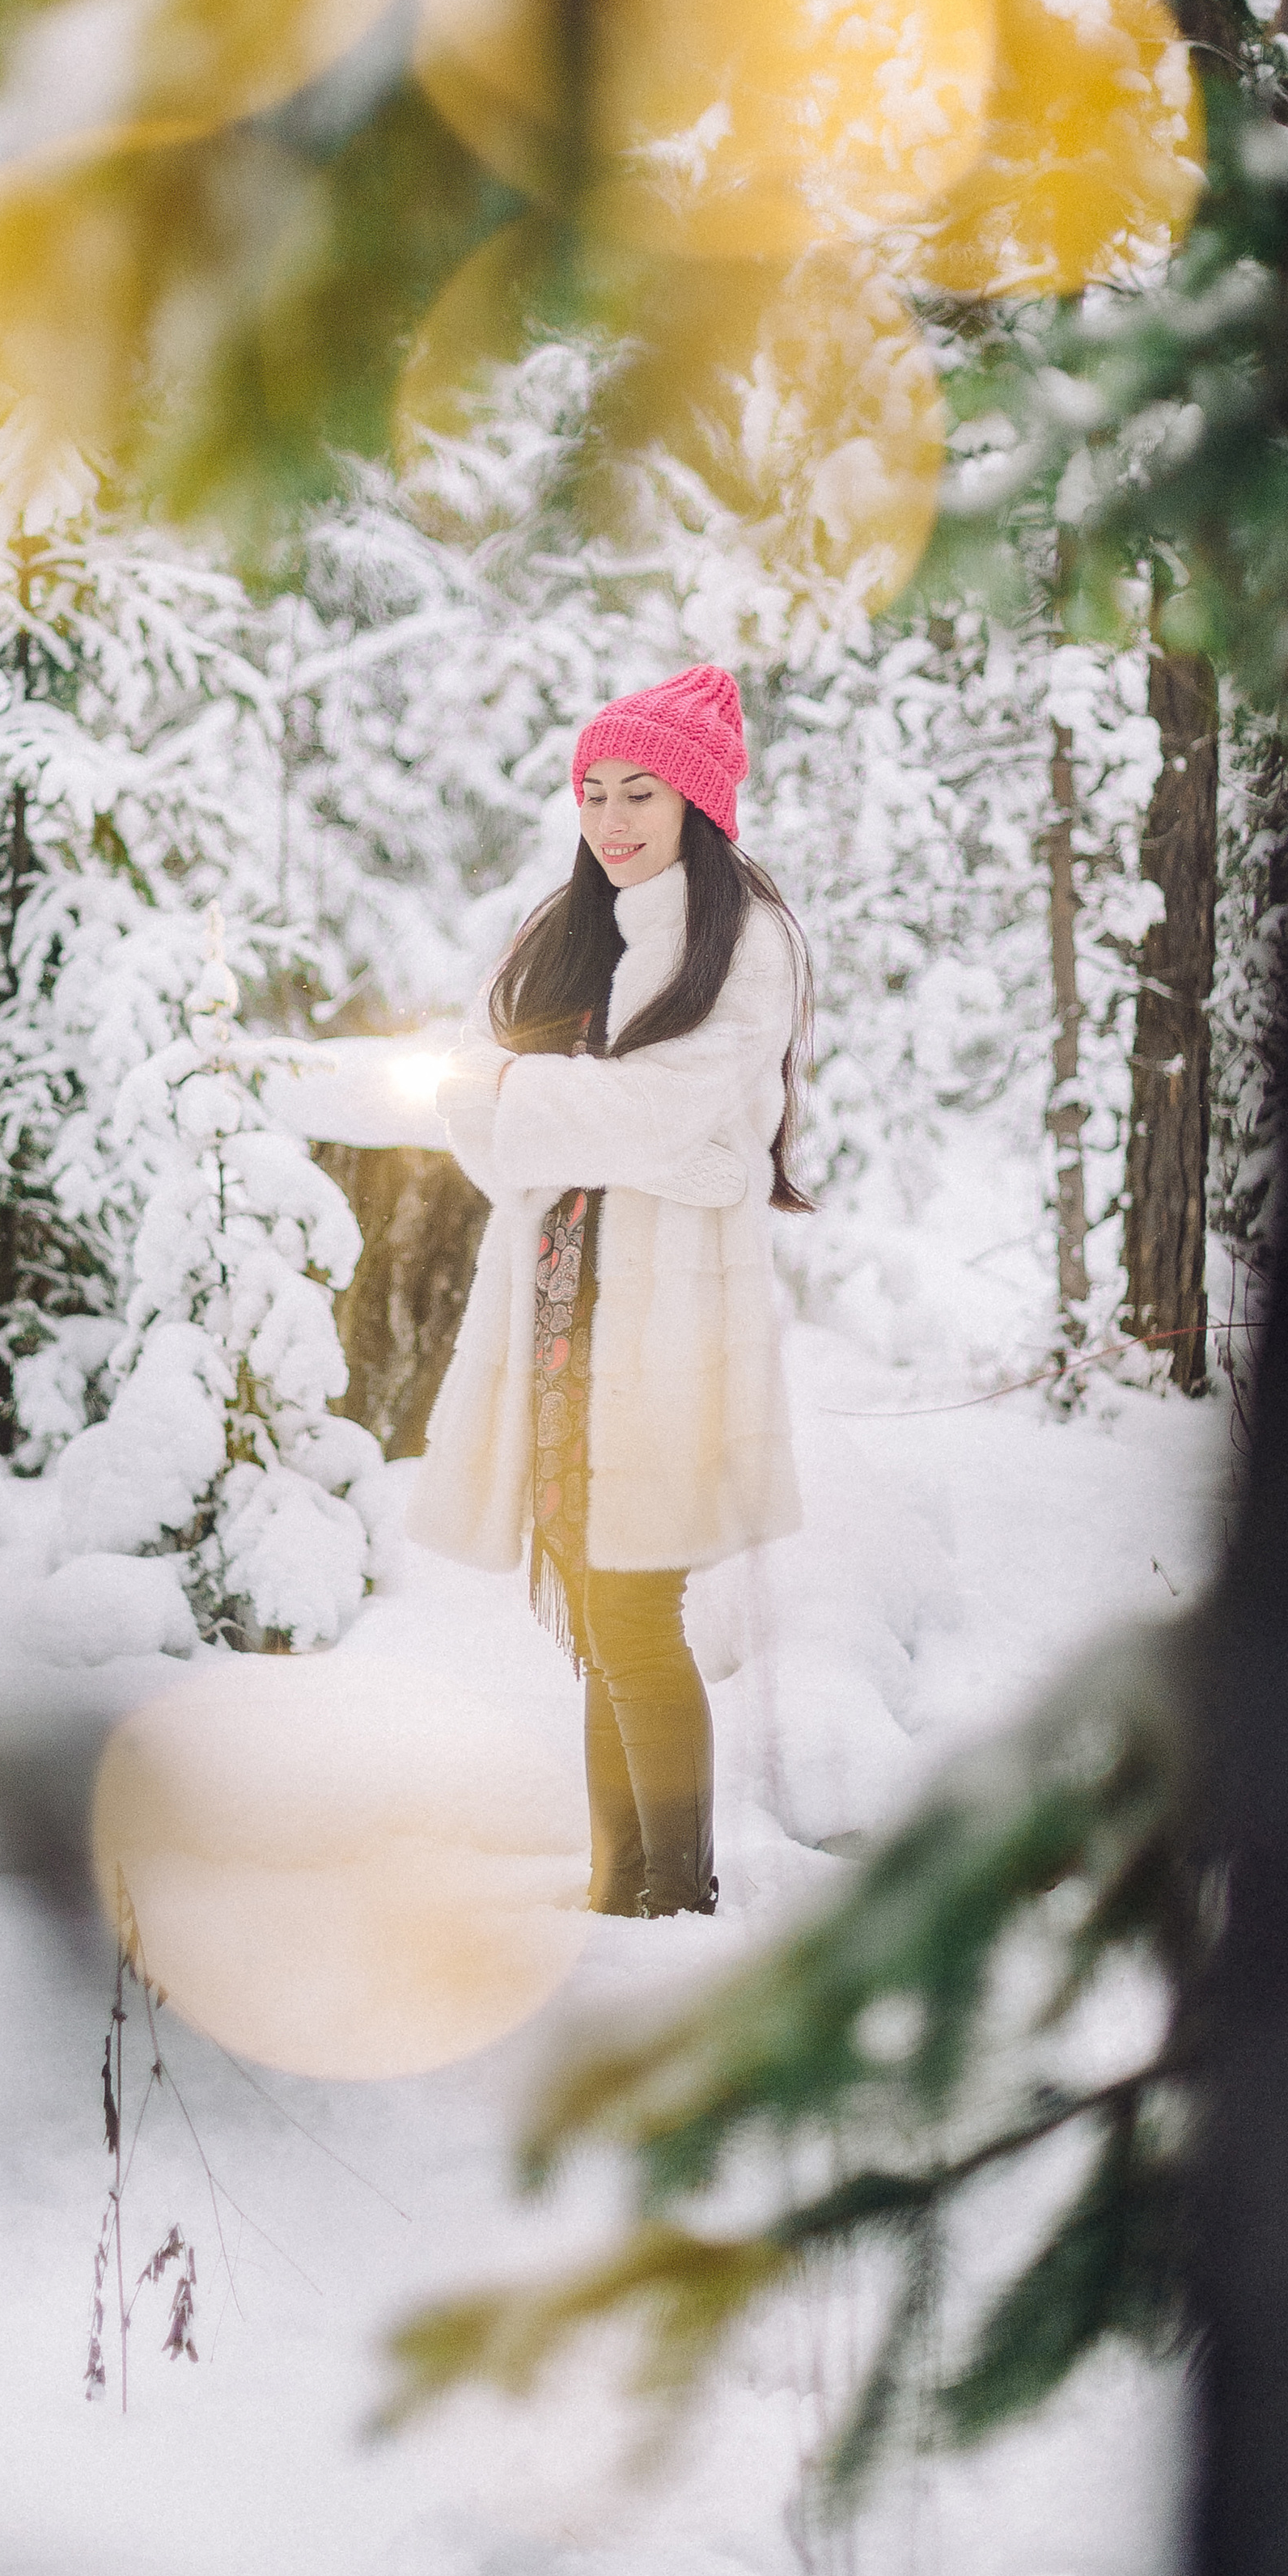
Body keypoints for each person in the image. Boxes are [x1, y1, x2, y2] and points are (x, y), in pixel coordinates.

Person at [408, 664, 813, 1918]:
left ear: (699, 803)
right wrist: (557, 1116)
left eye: (641, 792)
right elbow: (528, 1122)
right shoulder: (578, 929)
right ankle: (616, 1895)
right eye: (594, 792)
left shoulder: (743, 941)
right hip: (564, 1314)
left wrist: (523, 1101)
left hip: (670, 1326)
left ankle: (675, 1900)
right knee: (598, 1615)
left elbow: (660, 1115)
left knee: (635, 1608)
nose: (612, 818)